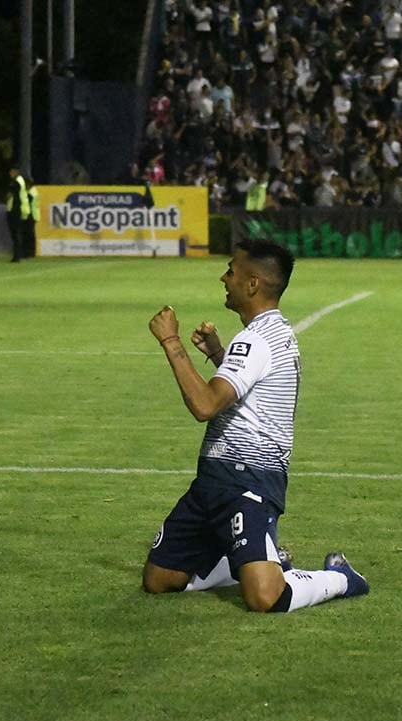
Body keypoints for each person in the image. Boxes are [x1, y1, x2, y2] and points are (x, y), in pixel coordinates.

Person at [143, 239, 369, 613]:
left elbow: (205, 405)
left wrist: (170, 341)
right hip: (213, 481)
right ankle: (249, 558)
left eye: (231, 270)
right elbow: (252, 400)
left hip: (248, 482)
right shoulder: (271, 333)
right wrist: (218, 354)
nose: (223, 277)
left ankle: (341, 578)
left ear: (252, 284)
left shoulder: (257, 340)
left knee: (264, 597)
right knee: (160, 580)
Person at [6, 163, 31, 262]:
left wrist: (8, 194)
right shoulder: (19, 181)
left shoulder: (17, 181)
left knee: (15, 233)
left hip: (16, 209)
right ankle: (18, 254)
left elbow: (11, 194)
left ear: (16, 172)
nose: (10, 173)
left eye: (12, 171)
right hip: (16, 209)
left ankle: (17, 256)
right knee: (16, 233)